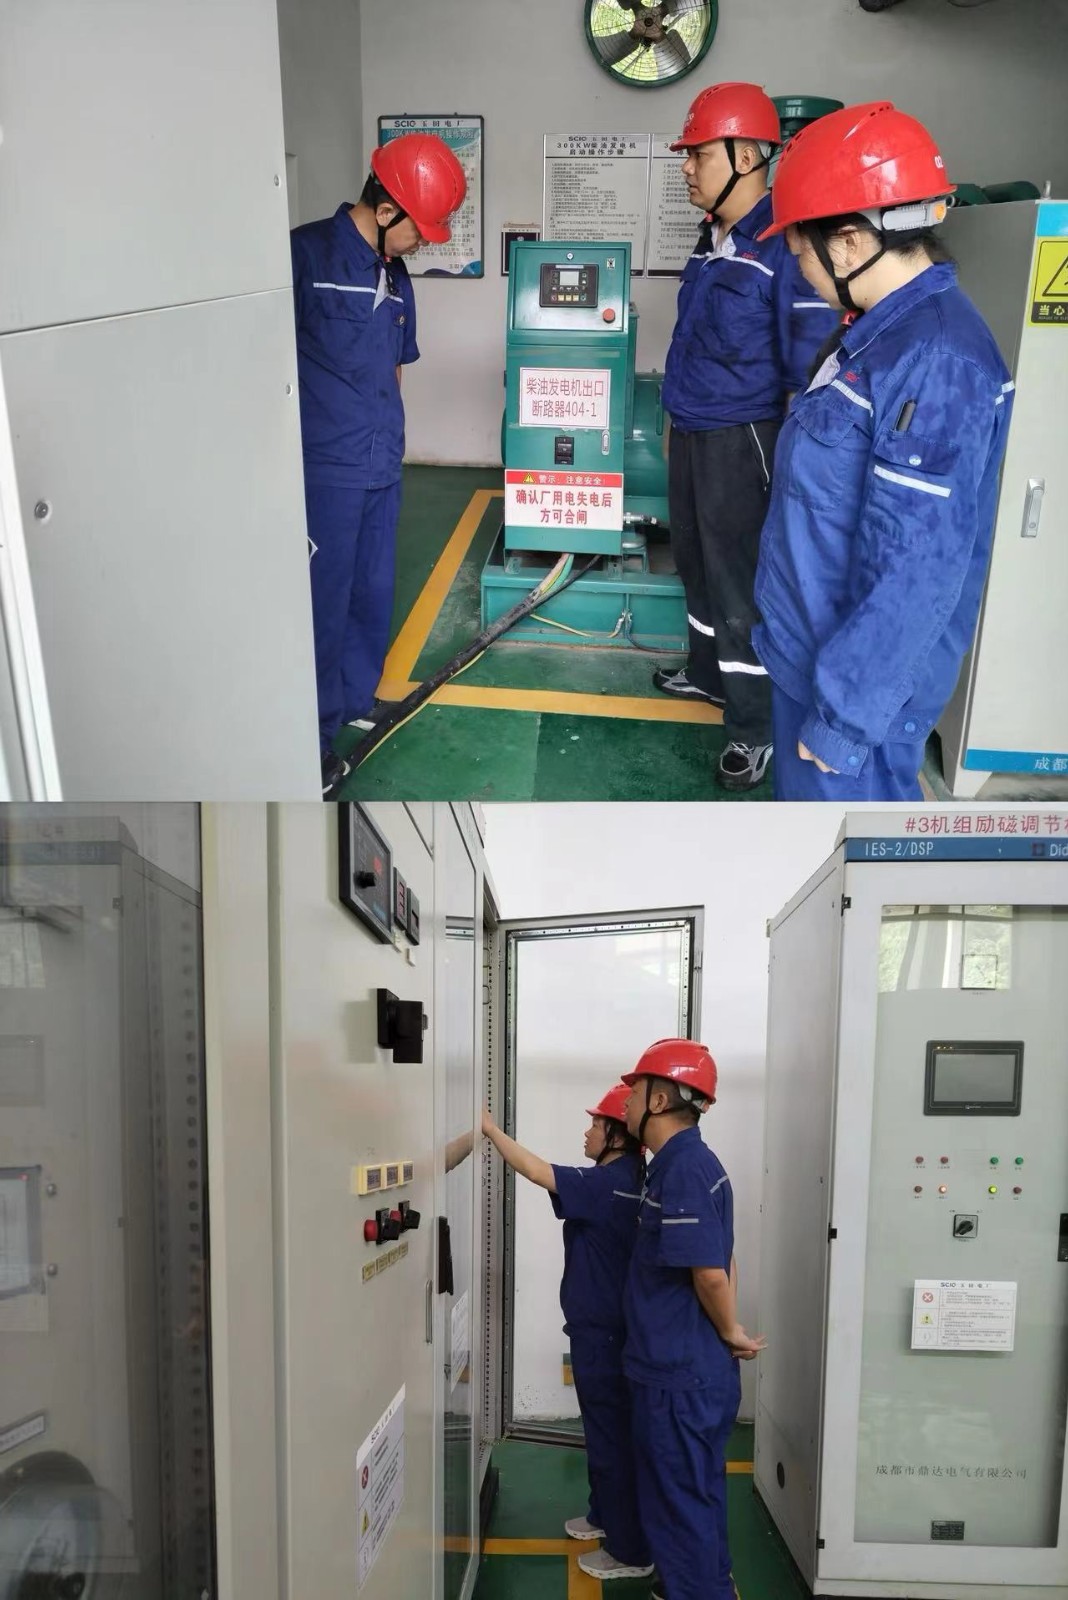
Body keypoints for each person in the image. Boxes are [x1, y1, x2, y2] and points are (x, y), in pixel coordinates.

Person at [751, 102, 1015, 801]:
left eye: (800, 252)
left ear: (846, 243)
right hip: (811, 657)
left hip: (850, 705)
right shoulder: (877, 333)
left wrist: (841, 722)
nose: (799, 269)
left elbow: (916, 571)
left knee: (841, 846)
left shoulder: (936, 361)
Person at [655, 83, 839, 792]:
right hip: (693, 432)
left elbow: (806, 371)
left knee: (741, 585)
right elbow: (691, 339)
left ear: (746, 157)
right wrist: (674, 423)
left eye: (698, 154)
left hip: (744, 442)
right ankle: (707, 676)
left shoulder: (784, 247)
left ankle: (752, 727)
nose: (686, 167)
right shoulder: (713, 242)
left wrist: (790, 475)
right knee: (697, 565)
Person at [290, 134, 467, 795]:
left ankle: (353, 700)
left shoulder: (396, 278)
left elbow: (395, 367)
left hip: (380, 462)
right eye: (419, 228)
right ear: (386, 208)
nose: (422, 242)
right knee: (319, 605)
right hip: (324, 468)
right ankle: (308, 741)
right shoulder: (304, 255)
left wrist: (391, 441)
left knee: (369, 594)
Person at [481, 1086, 654, 1581]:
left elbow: (537, 1172)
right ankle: (605, 1516)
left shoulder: (607, 1184)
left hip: (603, 1334)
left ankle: (629, 1551)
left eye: (596, 1124)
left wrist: (490, 1129)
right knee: (605, 1433)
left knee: (609, 1439)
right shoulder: (632, 1178)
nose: (587, 1132)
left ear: (617, 1134)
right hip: (609, 1329)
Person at [620, 1040, 764, 1600]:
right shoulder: (690, 1166)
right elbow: (725, 1256)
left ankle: (701, 1592)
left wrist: (730, 1330)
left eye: (635, 1092)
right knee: (694, 1491)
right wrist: (726, 1330)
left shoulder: (682, 1169)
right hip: (687, 1365)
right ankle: (708, 1583)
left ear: (659, 1100)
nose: (627, 1103)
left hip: (678, 1373)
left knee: (679, 1496)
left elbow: (709, 1273)